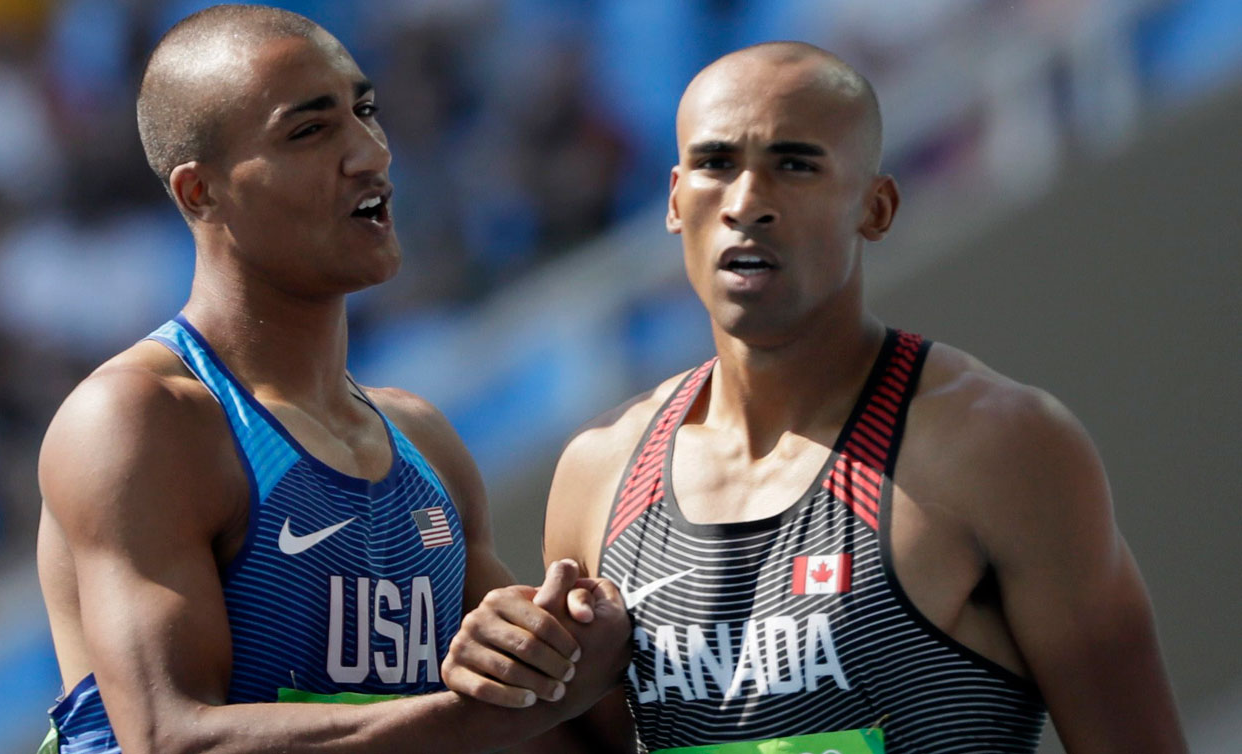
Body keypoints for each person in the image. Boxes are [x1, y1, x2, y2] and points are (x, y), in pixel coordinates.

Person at [444, 42, 1188, 753]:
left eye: (794, 165)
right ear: (674, 201)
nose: (747, 203)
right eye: (715, 165)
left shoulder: (997, 446)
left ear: (877, 207)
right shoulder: (597, 474)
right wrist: (514, 677)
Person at [34, 5, 628, 753]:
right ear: (199, 193)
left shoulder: (424, 443)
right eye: (310, 131)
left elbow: (563, 726)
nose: (370, 153)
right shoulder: (141, 418)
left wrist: (580, 645)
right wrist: (484, 713)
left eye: (366, 111)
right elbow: (171, 736)